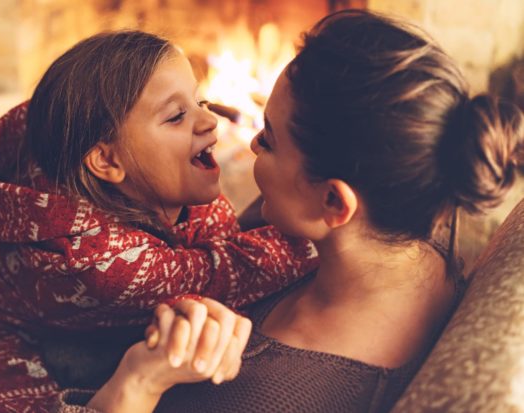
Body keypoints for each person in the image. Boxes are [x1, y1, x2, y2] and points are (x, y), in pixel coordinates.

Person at [55, 9, 524, 413]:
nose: (251, 144)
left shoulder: (279, 397)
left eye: (270, 140)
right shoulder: (413, 222)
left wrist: (138, 382)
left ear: (334, 202)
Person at [0, 31, 319, 411]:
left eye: (201, 101)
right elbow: (227, 271)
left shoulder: (104, 164)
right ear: (105, 160)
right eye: (176, 117)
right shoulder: (101, 264)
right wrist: (319, 230)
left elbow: (213, 232)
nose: (210, 121)